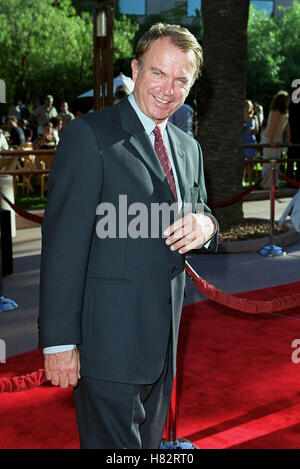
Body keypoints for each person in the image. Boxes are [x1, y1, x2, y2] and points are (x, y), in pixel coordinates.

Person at [39, 23, 218, 450]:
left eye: (181, 80)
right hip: (107, 346)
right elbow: (63, 246)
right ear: (135, 70)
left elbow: (201, 210)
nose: (167, 89)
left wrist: (206, 226)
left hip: (163, 345)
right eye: (158, 72)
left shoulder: (187, 147)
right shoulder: (90, 135)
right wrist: (59, 343)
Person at [260, 90, 291, 189]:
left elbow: (287, 126)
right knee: (269, 161)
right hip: (269, 137)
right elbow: (272, 126)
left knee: (276, 162)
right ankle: (266, 184)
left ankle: (274, 183)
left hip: (278, 138)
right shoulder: (276, 111)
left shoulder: (285, 112)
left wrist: (289, 138)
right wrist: (271, 140)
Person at [286, 87, 300, 184]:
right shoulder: (291, 105)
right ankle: (290, 181)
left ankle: (298, 181)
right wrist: (289, 137)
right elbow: (288, 122)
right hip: (293, 136)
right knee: (291, 160)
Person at [242, 100, 257, 186]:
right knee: (243, 164)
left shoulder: (253, 118)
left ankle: (250, 181)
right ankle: (242, 180)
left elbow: (256, 130)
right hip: (243, 141)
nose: (247, 108)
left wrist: (252, 129)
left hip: (251, 141)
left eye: (248, 106)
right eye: (245, 106)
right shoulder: (240, 118)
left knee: (250, 163)